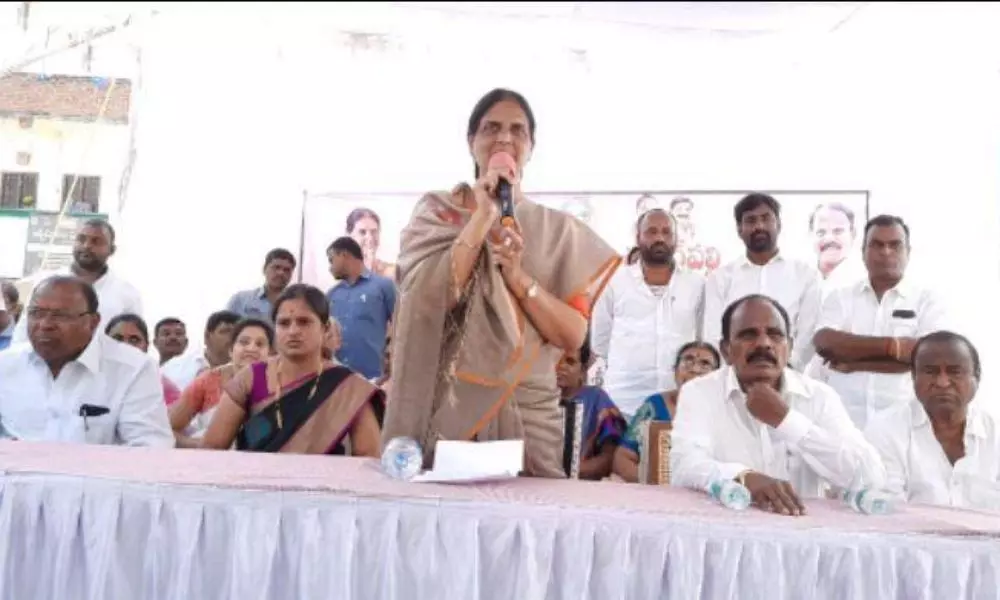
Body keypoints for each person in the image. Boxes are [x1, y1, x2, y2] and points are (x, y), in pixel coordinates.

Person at [382, 88, 621, 477]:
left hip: (527, 410)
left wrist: (519, 278)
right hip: (448, 406)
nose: (504, 138)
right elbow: (431, 298)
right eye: (491, 128)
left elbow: (572, 336)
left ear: (531, 146)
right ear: (471, 141)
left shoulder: (560, 232)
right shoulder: (438, 213)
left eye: (517, 130)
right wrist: (481, 217)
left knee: (531, 515)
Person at [671, 294, 884, 516]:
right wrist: (743, 477)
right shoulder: (700, 392)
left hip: (803, 530)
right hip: (726, 528)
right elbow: (684, 466)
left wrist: (787, 421)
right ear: (726, 350)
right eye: (748, 335)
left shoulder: (818, 396)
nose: (764, 344)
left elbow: (870, 476)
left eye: (775, 335)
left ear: (789, 347)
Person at [200, 284, 383, 456]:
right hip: (254, 478)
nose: (293, 331)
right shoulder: (251, 378)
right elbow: (212, 449)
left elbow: (367, 459)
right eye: (284, 323)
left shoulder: (348, 387)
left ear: (325, 328)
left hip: (321, 479)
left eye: (304, 322)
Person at [0, 276, 173, 446]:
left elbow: (150, 447)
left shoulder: (134, 369)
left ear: (93, 322)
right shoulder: (5, 365)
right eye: (36, 314)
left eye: (61, 316)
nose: (45, 324)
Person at [813, 215, 948, 429]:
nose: (886, 252)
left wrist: (855, 363)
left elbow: (930, 356)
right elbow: (824, 342)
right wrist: (898, 348)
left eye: (895, 245)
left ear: (908, 252)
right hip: (843, 426)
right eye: (877, 245)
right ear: (863, 253)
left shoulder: (927, 301)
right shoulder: (840, 298)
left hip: (904, 428)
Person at [590, 209, 705, 418]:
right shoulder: (613, 282)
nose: (659, 238)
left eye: (666, 232)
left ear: (676, 239)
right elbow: (600, 342)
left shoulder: (696, 284)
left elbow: (701, 339)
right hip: (623, 403)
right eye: (652, 231)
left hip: (678, 403)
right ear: (638, 237)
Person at [865, 331, 999, 510]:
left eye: (955, 372)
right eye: (930, 372)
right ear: (913, 377)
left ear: (977, 376)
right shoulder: (885, 431)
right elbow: (888, 509)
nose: (943, 382)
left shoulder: (995, 433)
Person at [703, 193, 821, 370]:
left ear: (778, 225)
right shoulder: (720, 278)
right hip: (733, 377)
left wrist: (784, 369)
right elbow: (713, 334)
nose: (759, 226)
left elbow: (808, 332)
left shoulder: (805, 275)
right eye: (751, 221)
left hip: (788, 374)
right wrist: (735, 372)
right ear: (739, 229)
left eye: (766, 219)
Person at [12, 219, 143, 344]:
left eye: (96, 241)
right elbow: (23, 332)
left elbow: (134, 343)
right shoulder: (46, 284)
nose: (87, 246)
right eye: (81, 239)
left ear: (111, 250)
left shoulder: (127, 294)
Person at [613, 341, 720, 483]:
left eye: (705, 364)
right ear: (675, 371)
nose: (695, 369)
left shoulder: (724, 410)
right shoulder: (654, 406)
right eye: (688, 361)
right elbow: (623, 458)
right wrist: (652, 484)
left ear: (717, 375)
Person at [170, 318, 273, 447]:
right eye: (244, 342)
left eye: (260, 344)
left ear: (271, 353)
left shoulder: (279, 385)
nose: (251, 348)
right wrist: (202, 446)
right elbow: (167, 430)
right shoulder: (208, 381)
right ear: (231, 350)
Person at [556, 336, 627, 480]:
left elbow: (610, 456)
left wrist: (570, 472)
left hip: (583, 483)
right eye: (555, 360)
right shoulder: (535, 398)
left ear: (583, 371)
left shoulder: (597, 399)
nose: (560, 366)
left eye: (570, 362)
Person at [326, 236, 396, 380]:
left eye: (332, 260)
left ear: (344, 255)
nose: (330, 268)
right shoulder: (331, 295)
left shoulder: (383, 286)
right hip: (336, 379)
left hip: (374, 378)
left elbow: (401, 326)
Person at [105, 313, 181, 406]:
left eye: (134, 340)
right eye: (117, 339)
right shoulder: (92, 381)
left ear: (146, 346)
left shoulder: (163, 388)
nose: (126, 345)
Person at [161, 310, 240, 391]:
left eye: (237, 333)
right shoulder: (174, 368)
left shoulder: (245, 371)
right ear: (207, 337)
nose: (233, 337)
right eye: (226, 331)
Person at [225, 248, 296, 320]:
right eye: (276, 267)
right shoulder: (240, 300)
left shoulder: (296, 304)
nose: (281, 273)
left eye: (286, 270)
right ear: (264, 269)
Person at [346, 208, 396, 280]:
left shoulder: (392, 272)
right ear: (349, 236)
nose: (370, 238)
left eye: (374, 232)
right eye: (362, 232)